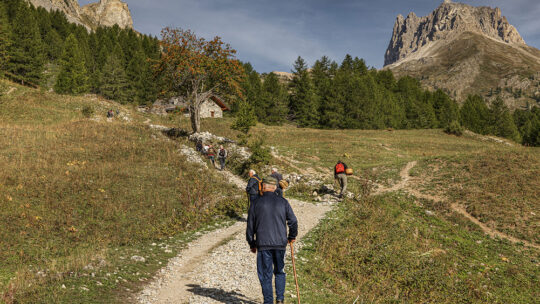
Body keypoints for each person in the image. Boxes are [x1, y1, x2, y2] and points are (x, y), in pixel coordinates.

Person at [246, 176, 298, 304]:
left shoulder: (256, 203)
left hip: (263, 244)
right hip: (280, 244)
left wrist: (252, 243)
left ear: (263, 187)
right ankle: (280, 299)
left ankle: (268, 302)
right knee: (280, 271)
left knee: (265, 275)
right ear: (274, 188)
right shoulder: (283, 202)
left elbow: (250, 226)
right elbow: (293, 221)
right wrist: (291, 237)